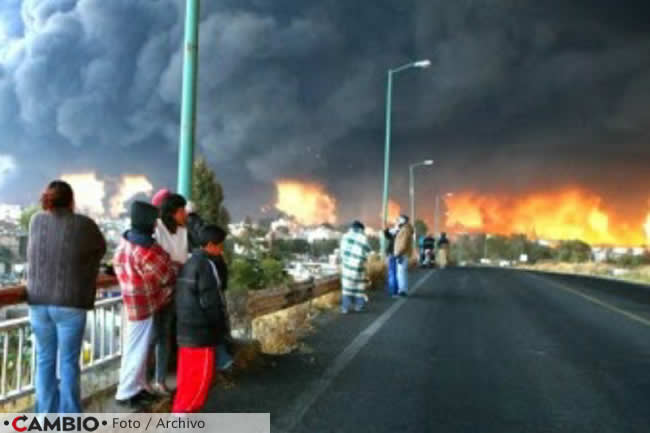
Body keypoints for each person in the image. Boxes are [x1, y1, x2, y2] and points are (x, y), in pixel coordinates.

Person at [26, 180, 106, 413]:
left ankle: (44, 419)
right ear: (72, 201)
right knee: (69, 364)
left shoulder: (35, 221)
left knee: (44, 361)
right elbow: (99, 250)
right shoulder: (85, 224)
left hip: (38, 302)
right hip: (71, 302)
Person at [114, 201, 176, 408]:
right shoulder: (147, 250)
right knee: (138, 350)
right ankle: (127, 393)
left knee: (136, 348)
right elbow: (165, 274)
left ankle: (138, 388)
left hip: (130, 302)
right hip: (144, 305)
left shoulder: (125, 242)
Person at [172, 225, 229, 414]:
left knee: (186, 381)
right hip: (201, 335)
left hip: (185, 331)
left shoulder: (190, 262)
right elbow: (211, 301)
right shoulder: (207, 265)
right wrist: (219, 331)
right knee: (199, 383)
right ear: (211, 245)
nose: (222, 250)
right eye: (220, 245)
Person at [147, 193, 189, 395]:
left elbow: (181, 256)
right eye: (182, 210)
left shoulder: (182, 230)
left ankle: (160, 380)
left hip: (175, 288)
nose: (185, 214)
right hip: (158, 289)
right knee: (155, 335)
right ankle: (145, 380)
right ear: (172, 213)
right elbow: (158, 257)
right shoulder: (157, 228)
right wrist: (176, 265)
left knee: (164, 335)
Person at [339, 221, 371, 313]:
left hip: (347, 267)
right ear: (361, 229)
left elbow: (342, 251)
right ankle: (359, 307)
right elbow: (368, 249)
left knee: (346, 288)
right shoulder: (362, 238)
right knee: (359, 288)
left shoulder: (345, 237)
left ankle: (345, 308)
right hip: (358, 268)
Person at [393, 215, 414, 296]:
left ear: (404, 220)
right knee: (402, 272)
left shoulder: (405, 230)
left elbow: (403, 243)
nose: (398, 220)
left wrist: (398, 254)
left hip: (402, 254)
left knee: (401, 273)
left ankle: (402, 290)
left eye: (399, 219)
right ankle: (403, 289)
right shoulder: (405, 229)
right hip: (403, 253)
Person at [383, 225, 399, 297]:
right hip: (395, 255)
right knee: (394, 274)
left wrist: (388, 229)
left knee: (392, 273)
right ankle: (394, 291)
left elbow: (386, 234)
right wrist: (388, 229)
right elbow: (386, 234)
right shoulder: (398, 236)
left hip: (392, 255)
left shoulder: (395, 237)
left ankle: (392, 291)